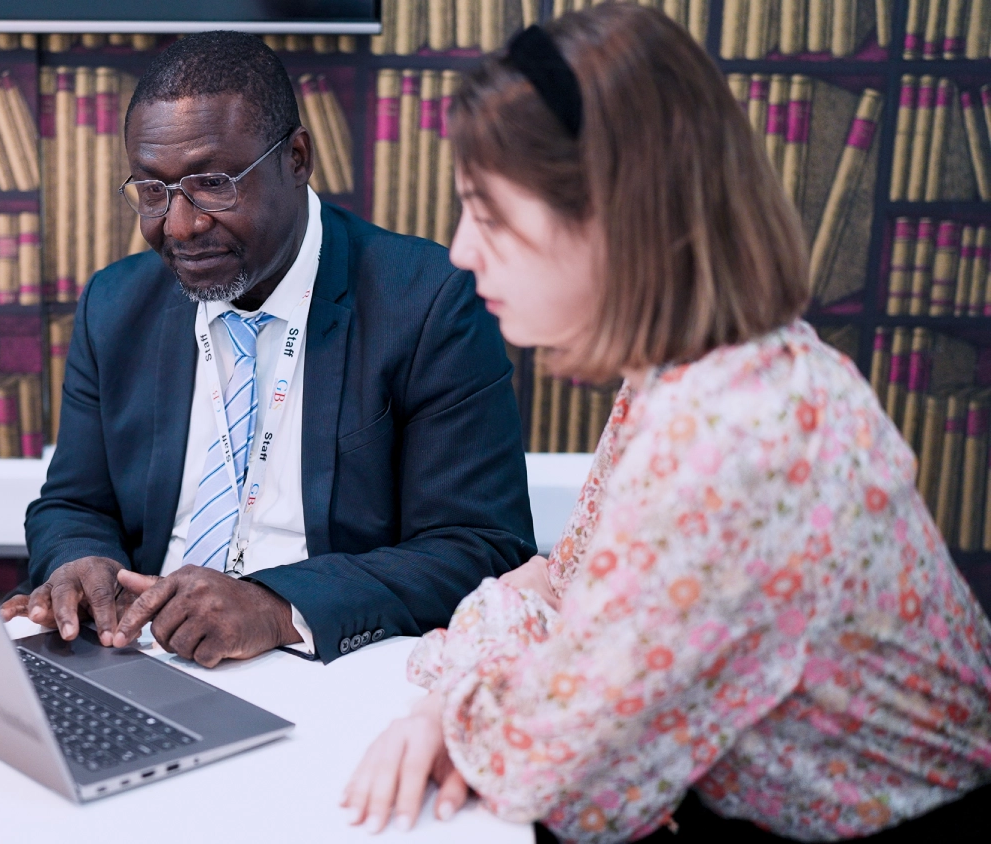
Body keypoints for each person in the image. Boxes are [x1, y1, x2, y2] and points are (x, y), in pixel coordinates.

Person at [342, 5, 991, 841]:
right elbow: (565, 592)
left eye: (490, 214)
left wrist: (457, 686)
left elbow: (565, 781)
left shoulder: (730, 441)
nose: (462, 250)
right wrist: (509, 653)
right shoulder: (702, 371)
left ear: (619, 216)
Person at [2, 31, 536, 666]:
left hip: (322, 667)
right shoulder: (115, 306)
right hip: (145, 654)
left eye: (212, 183)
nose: (180, 226)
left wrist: (279, 606)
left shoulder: (425, 303)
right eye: (152, 191)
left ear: (297, 159)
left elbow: (479, 546)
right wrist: (80, 561)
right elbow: (74, 503)